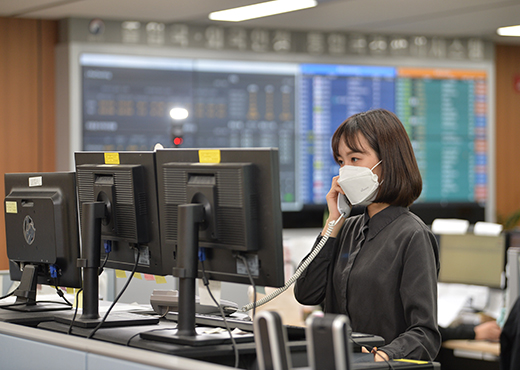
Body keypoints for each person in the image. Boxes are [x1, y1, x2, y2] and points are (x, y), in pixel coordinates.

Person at [294, 108, 441, 362]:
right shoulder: (346, 229)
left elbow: (424, 333)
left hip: (379, 366)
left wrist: (383, 355)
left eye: (354, 159)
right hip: (338, 362)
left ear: (388, 161)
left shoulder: (412, 235)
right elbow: (306, 293)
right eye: (341, 161)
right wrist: (333, 223)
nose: (344, 172)